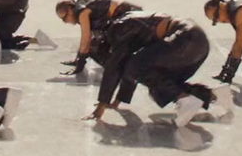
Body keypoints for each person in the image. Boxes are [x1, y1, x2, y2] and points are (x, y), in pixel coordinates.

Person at [82, 11, 222, 128]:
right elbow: (129, 70)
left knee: (136, 67)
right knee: (159, 80)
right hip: (199, 44)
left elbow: (117, 67)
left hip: (186, 39)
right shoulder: (125, 25)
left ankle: (184, 99)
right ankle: (214, 95)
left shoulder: (117, 30)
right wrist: (118, 101)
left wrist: (100, 108)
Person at [55, 0, 141, 74]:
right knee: (95, 44)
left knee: (95, 48)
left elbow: (86, 39)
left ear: (70, 10)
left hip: (129, 17)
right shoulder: (81, 8)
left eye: (64, 17)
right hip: (127, 15)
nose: (64, 21)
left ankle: (119, 68)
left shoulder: (82, 13)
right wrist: (78, 59)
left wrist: (79, 66)